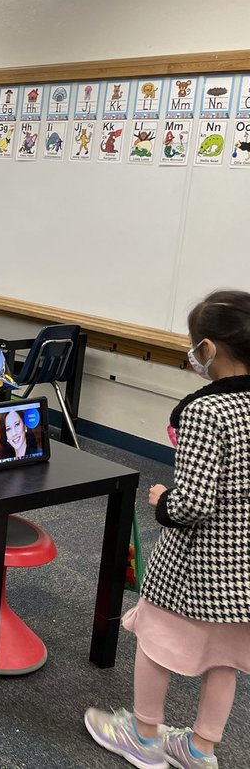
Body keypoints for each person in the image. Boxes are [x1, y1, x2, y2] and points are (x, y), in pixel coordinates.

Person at [84, 290, 250, 769]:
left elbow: (194, 503)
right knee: (227, 658)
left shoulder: (205, 411)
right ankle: (201, 749)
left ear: (210, 349)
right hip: (245, 567)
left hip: (199, 562)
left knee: (157, 640)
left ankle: (144, 736)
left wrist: (163, 501)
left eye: (196, 345)